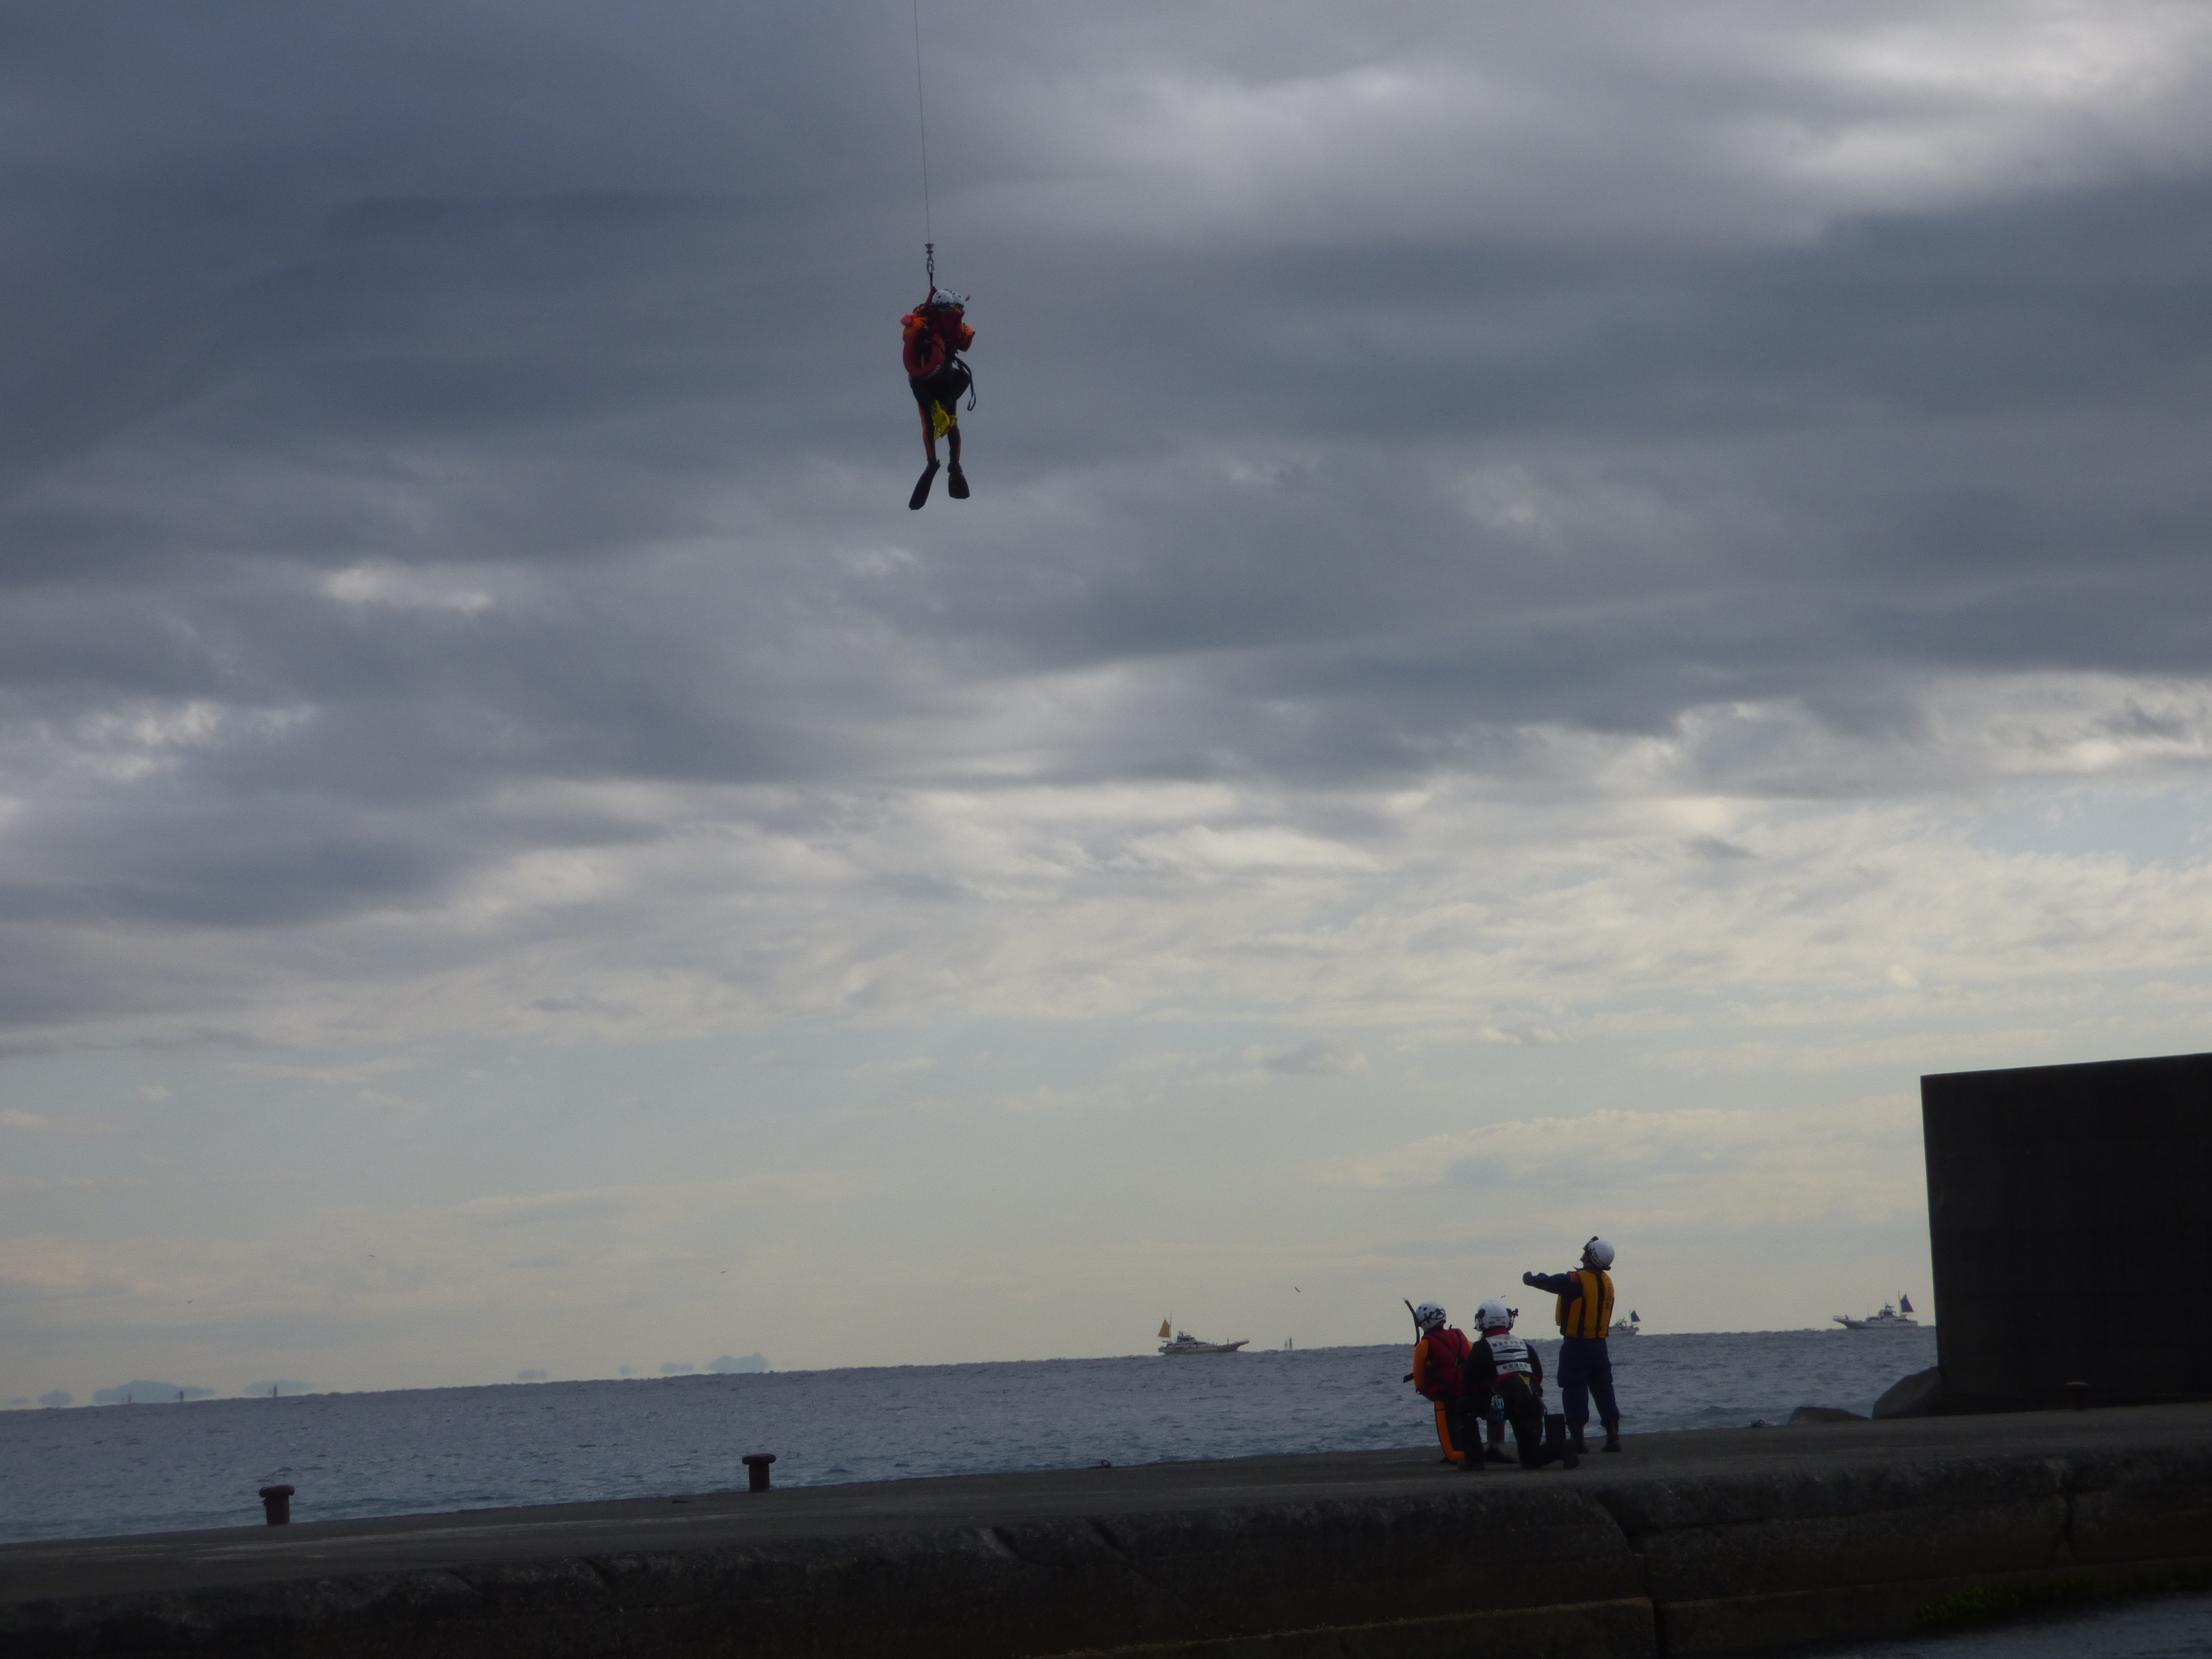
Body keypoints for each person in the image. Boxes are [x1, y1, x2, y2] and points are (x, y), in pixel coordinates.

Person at [1522, 1236, 1621, 1455]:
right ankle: (1613, 1437)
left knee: (1573, 1389)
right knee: (1604, 1390)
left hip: (1576, 1346)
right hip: (1600, 1347)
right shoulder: (1607, 1283)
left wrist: (1530, 1279)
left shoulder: (1575, 1281)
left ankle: (1579, 1441)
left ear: (1591, 1257)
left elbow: (1550, 1282)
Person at [1471, 1299, 1577, 1470]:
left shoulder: (1481, 1347)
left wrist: (1486, 1398)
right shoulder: (1525, 1345)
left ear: (1482, 1321)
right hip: (1532, 1404)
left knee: (1463, 1405)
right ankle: (1563, 1447)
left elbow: (1469, 1383)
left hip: (1505, 1405)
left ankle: (1474, 1460)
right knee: (1530, 1460)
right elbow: (1538, 1376)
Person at [901, 289, 974, 509]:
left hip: (925, 381)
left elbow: (907, 333)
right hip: (945, 379)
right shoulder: (955, 325)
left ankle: (933, 462)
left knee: (929, 422)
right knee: (951, 422)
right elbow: (965, 343)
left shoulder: (925, 321)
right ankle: (954, 464)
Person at [1407, 1301, 1479, 1467]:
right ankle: (1474, 1452)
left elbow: (1419, 1383)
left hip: (1444, 1399)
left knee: (1452, 1453)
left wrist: (1433, 1394)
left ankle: (1467, 1456)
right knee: (1467, 1426)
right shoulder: (1461, 1337)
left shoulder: (1424, 1345)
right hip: (1467, 1395)